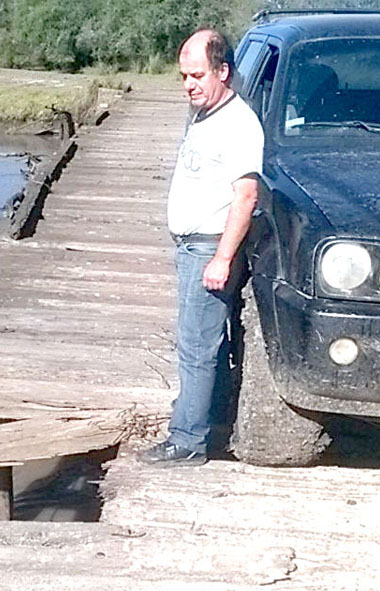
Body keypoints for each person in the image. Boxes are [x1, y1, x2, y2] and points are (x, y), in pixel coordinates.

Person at [138, 27, 264, 467]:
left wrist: (222, 259)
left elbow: (246, 195)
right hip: (192, 247)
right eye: (183, 76)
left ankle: (187, 442)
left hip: (208, 249)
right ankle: (199, 423)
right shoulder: (205, 114)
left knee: (197, 346)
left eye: (196, 75)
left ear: (223, 71)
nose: (188, 84)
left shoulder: (239, 123)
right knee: (200, 343)